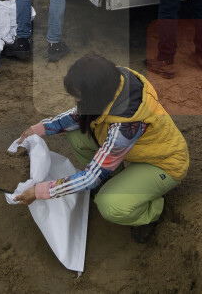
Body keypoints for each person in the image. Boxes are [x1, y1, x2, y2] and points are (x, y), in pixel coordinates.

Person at [13, 53, 189, 244]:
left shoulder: (126, 126)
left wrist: (40, 191)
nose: (76, 100)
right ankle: (117, 178)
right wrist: (39, 129)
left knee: (109, 204)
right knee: (77, 136)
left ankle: (152, 210)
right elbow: (79, 115)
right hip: (139, 152)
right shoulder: (114, 82)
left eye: (79, 95)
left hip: (163, 164)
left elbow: (91, 177)